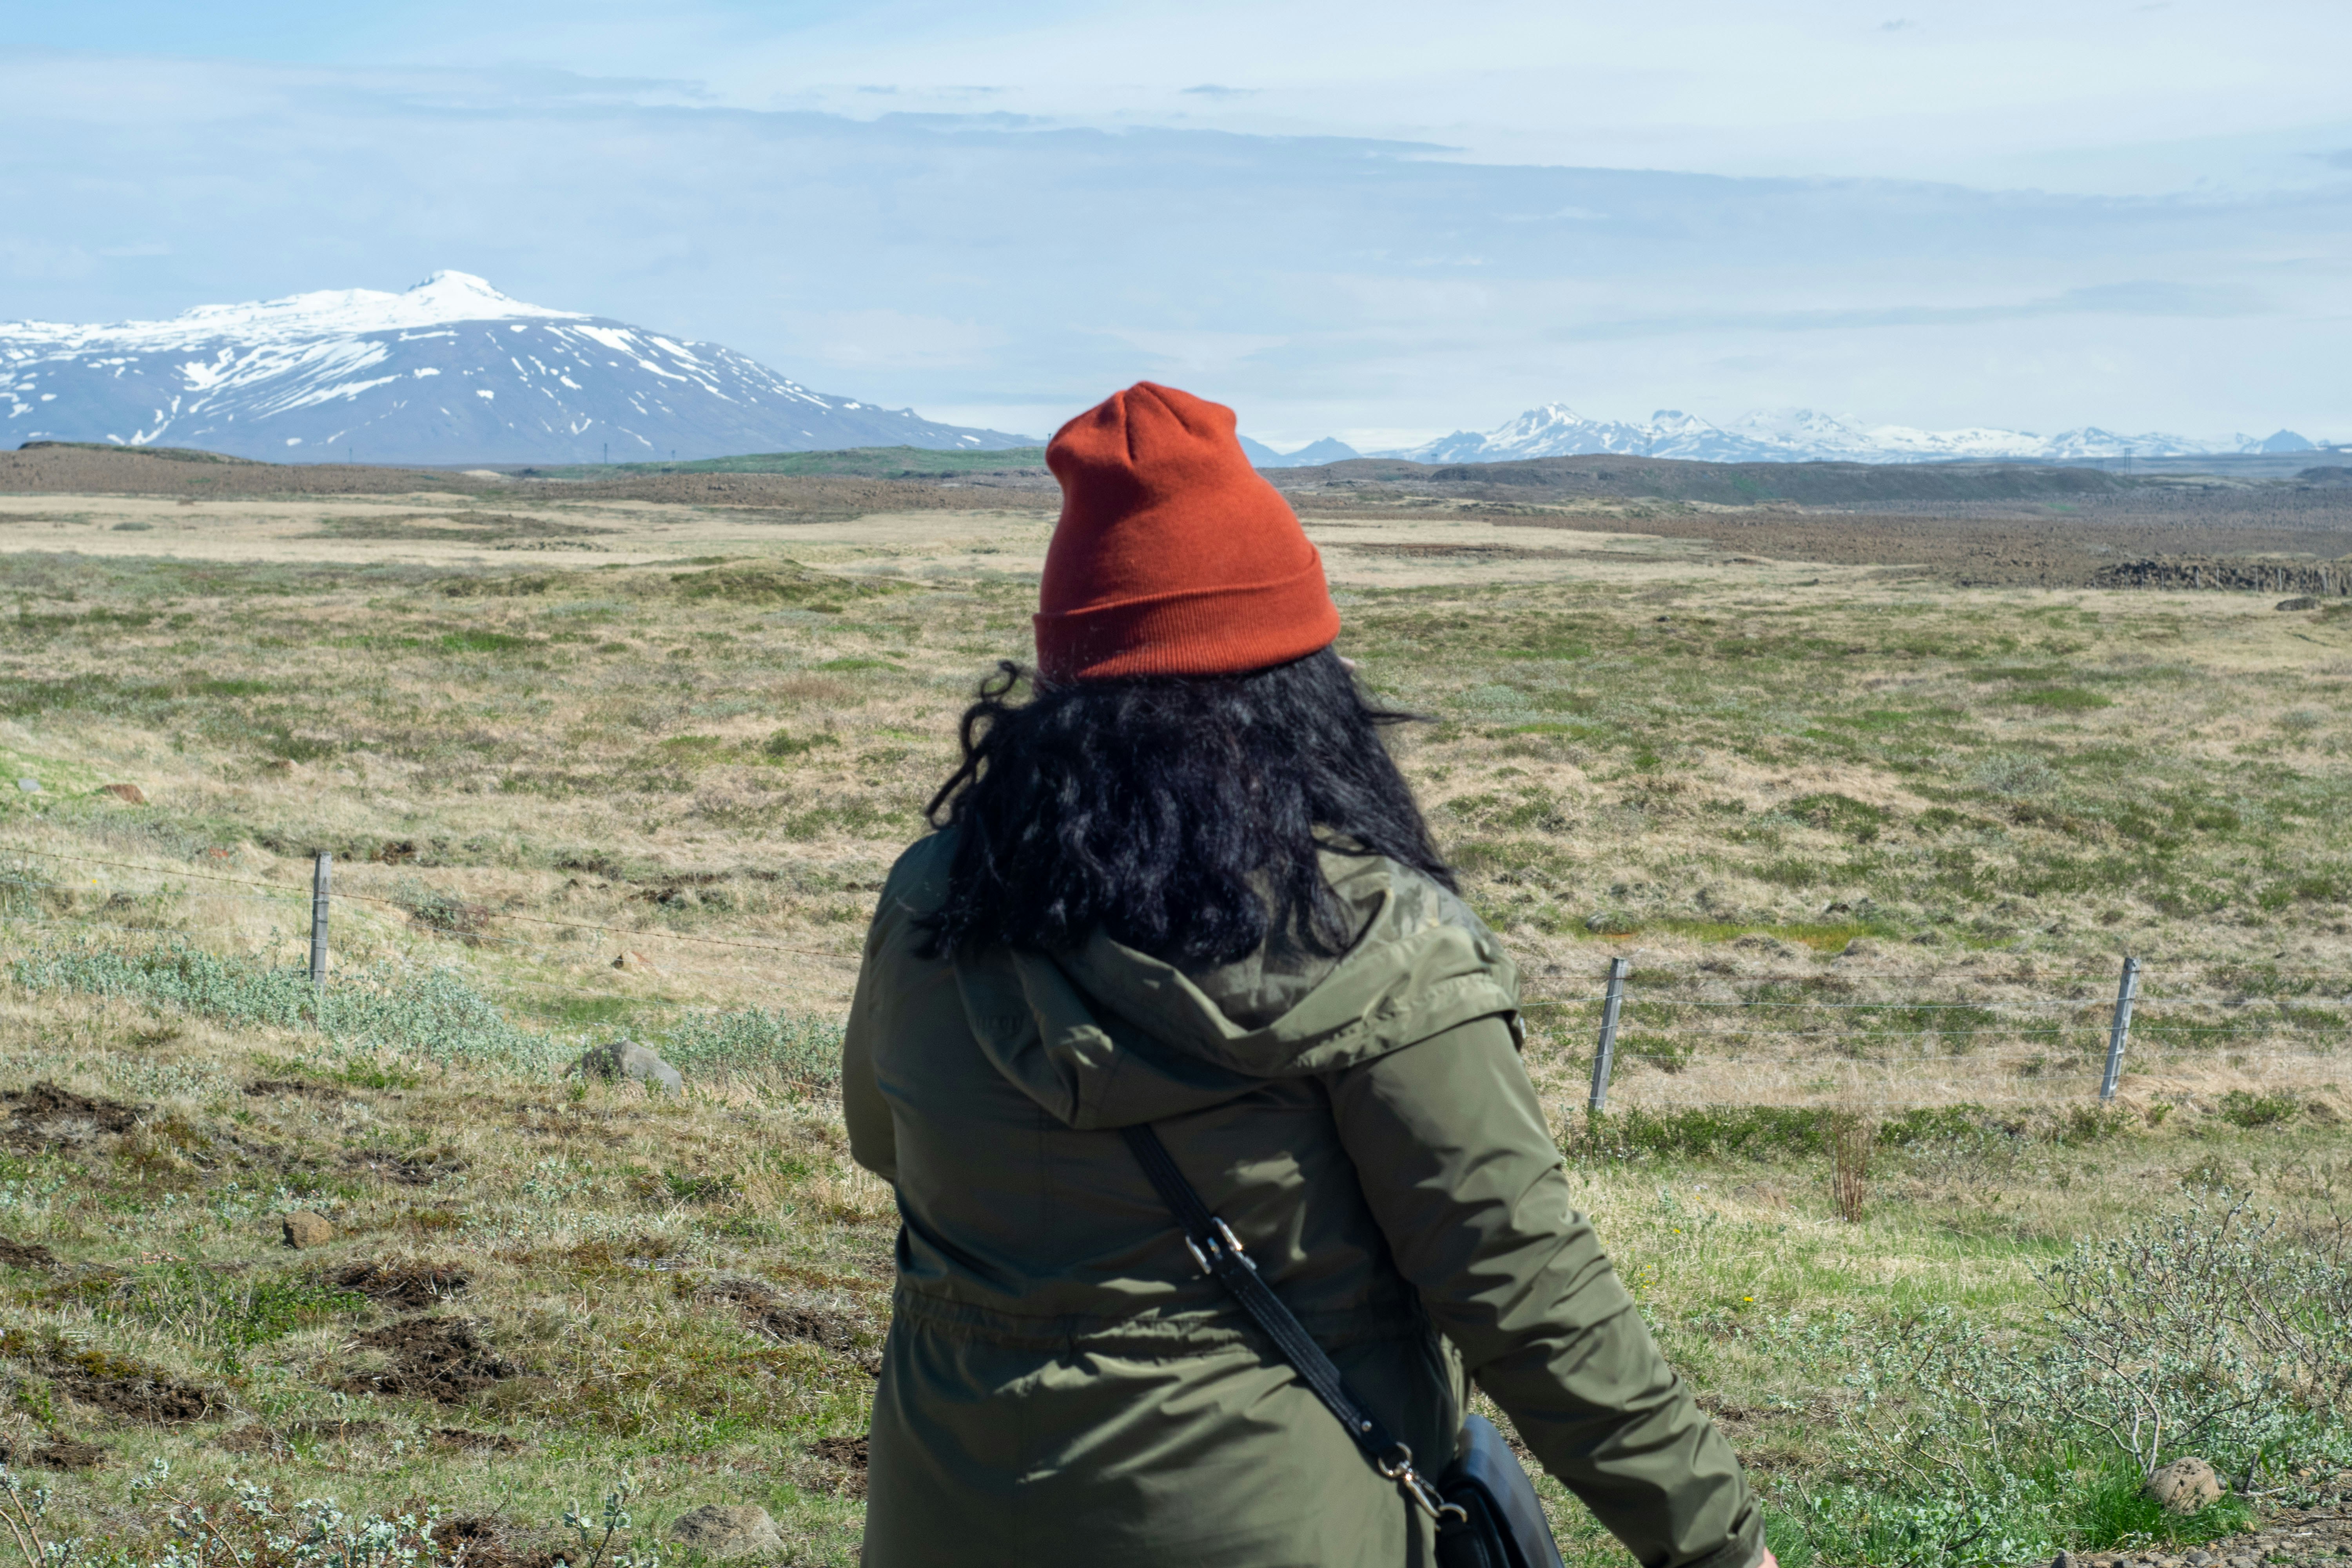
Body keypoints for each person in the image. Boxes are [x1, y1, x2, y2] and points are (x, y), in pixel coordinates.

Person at [842, 382, 1771, 1568]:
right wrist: (1718, 1546)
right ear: (1303, 690)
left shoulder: (936, 900)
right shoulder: (1374, 939)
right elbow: (1519, 1280)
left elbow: (886, 1139)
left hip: (948, 1516)